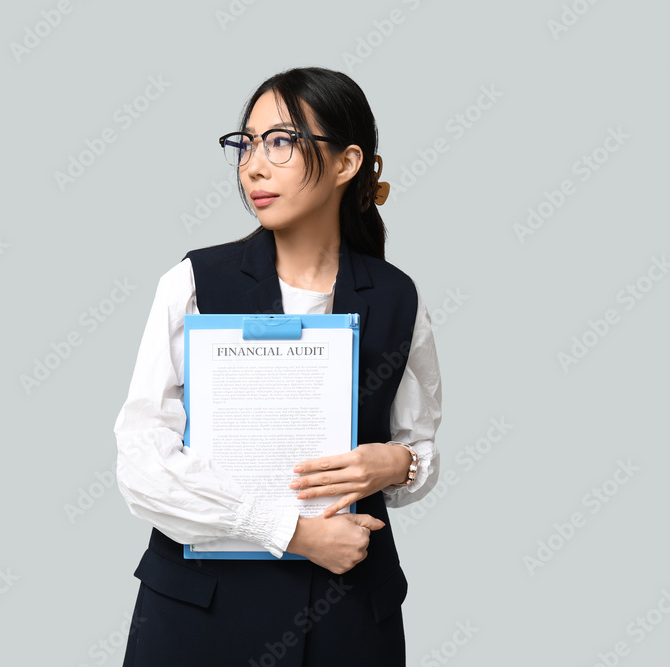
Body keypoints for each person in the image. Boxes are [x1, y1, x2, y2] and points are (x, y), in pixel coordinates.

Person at [113, 66, 442, 667]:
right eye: (247, 143)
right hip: (199, 619)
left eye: (281, 142)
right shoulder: (193, 282)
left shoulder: (398, 297)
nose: (253, 166)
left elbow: (417, 443)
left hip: (347, 621)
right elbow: (141, 461)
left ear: (346, 164)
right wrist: (292, 533)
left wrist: (399, 463)